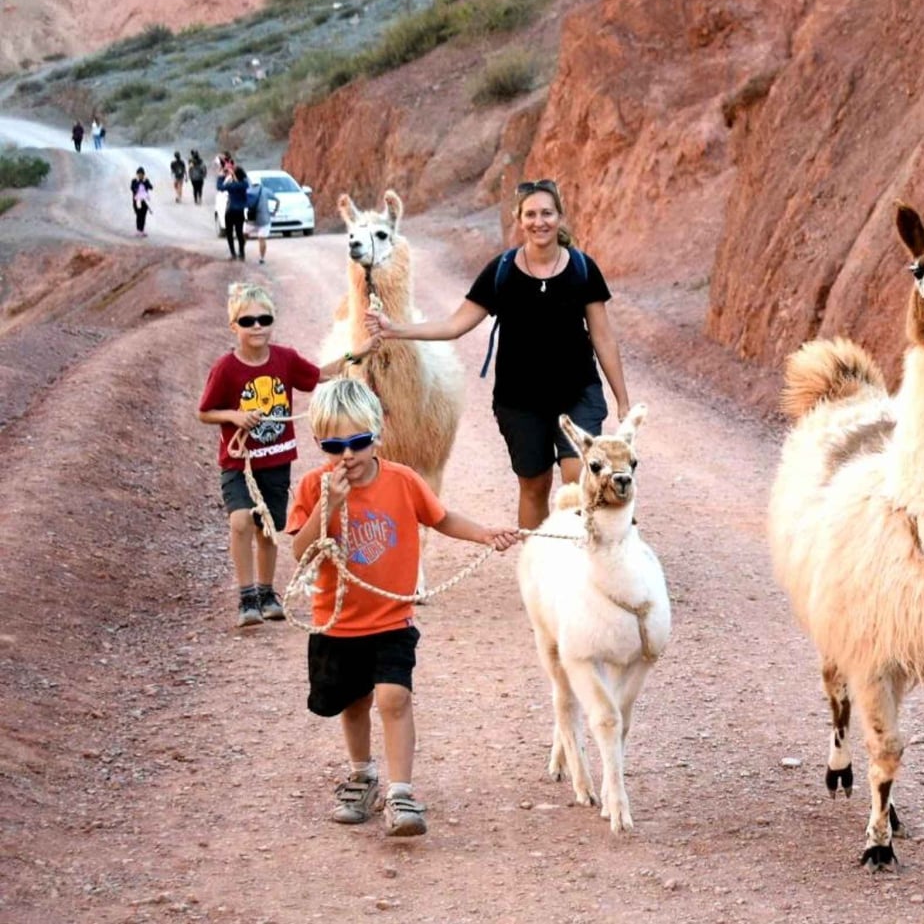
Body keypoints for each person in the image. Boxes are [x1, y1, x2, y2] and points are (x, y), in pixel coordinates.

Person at [287, 378, 520, 837]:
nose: (348, 455)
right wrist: (328, 507)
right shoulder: (315, 487)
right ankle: (362, 776)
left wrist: (485, 534)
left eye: (358, 442)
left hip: (392, 618)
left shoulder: (402, 480)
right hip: (337, 624)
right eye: (335, 445)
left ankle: (401, 793)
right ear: (319, 444)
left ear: (377, 435)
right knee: (354, 705)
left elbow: (440, 516)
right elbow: (300, 551)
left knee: (394, 698)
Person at [365, 178, 631, 529]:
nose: (540, 222)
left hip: (578, 393)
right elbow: (455, 325)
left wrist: (622, 400)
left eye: (547, 213)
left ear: (560, 217)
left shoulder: (583, 269)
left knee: (579, 478)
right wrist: (395, 329)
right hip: (519, 402)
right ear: (519, 220)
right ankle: (537, 569)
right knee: (534, 488)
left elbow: (603, 338)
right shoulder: (501, 271)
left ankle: (582, 569)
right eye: (531, 214)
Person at [197, 283, 381, 628]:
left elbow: (320, 374)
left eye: (263, 319)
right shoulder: (225, 369)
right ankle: (246, 596)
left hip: (277, 460)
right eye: (247, 320)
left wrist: (361, 352)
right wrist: (234, 416)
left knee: (268, 529)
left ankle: (267, 593)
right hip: (241, 462)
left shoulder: (285, 359)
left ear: (272, 321)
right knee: (241, 521)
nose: (256, 326)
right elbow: (205, 411)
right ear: (233, 325)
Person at [218, 166, 250, 260]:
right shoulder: (244, 184)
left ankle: (233, 253)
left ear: (235, 175)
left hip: (231, 211)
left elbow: (220, 187)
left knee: (229, 233)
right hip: (240, 212)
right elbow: (244, 180)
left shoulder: (232, 185)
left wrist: (221, 176)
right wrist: (233, 174)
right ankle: (242, 253)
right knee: (239, 233)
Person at [247, 177, 276, 263]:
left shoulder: (248, 191)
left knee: (243, 234)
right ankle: (262, 258)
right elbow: (277, 200)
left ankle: (241, 252)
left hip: (251, 219)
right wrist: (274, 211)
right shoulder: (265, 191)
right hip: (264, 219)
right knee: (262, 240)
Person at [129, 167, 153, 237]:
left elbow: (151, 187)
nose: (140, 175)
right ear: (137, 174)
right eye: (139, 174)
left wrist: (146, 183)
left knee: (143, 216)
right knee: (138, 215)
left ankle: (142, 230)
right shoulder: (134, 181)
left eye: (141, 174)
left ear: (143, 174)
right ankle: (138, 230)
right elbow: (132, 188)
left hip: (144, 202)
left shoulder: (146, 180)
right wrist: (138, 185)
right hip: (136, 201)